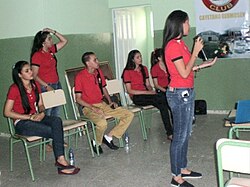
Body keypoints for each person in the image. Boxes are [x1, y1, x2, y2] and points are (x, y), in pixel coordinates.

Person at [162, 10, 217, 187]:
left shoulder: (180, 43)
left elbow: (186, 69)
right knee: (180, 135)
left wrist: (202, 65)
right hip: (179, 94)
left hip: (186, 91)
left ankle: (183, 167)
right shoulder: (172, 46)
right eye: (186, 22)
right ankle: (176, 177)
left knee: (186, 133)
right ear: (179, 24)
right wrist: (195, 52)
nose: (189, 25)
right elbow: (184, 72)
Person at [3, 61, 80, 175]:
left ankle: (60, 160)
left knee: (56, 120)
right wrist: (28, 117)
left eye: (30, 69)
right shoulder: (14, 89)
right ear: (19, 75)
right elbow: (7, 112)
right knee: (53, 131)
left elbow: (40, 105)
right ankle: (61, 161)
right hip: (22, 123)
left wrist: (42, 113)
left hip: (36, 117)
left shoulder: (35, 85)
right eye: (27, 71)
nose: (31, 72)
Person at [74, 52, 134, 154]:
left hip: (102, 104)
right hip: (88, 107)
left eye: (97, 59)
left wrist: (110, 102)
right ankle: (96, 142)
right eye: (95, 60)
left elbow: (103, 88)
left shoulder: (98, 72)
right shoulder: (80, 77)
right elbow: (78, 99)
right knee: (102, 123)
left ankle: (108, 137)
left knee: (129, 114)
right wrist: (93, 108)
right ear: (88, 63)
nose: (98, 62)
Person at [122, 49, 173, 139]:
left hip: (147, 95)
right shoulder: (127, 72)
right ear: (132, 59)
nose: (140, 58)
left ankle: (172, 131)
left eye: (140, 56)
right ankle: (170, 132)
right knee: (162, 100)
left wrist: (151, 90)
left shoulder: (144, 69)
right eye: (138, 57)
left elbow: (148, 84)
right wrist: (148, 92)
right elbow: (130, 91)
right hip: (137, 97)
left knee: (164, 102)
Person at [30, 28, 68, 152]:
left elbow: (65, 41)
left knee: (56, 114)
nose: (52, 40)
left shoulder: (51, 51)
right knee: (47, 114)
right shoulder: (37, 55)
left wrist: (53, 31)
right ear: (43, 42)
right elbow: (34, 75)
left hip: (56, 84)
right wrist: (46, 86)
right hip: (45, 86)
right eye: (49, 39)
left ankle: (55, 140)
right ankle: (44, 142)